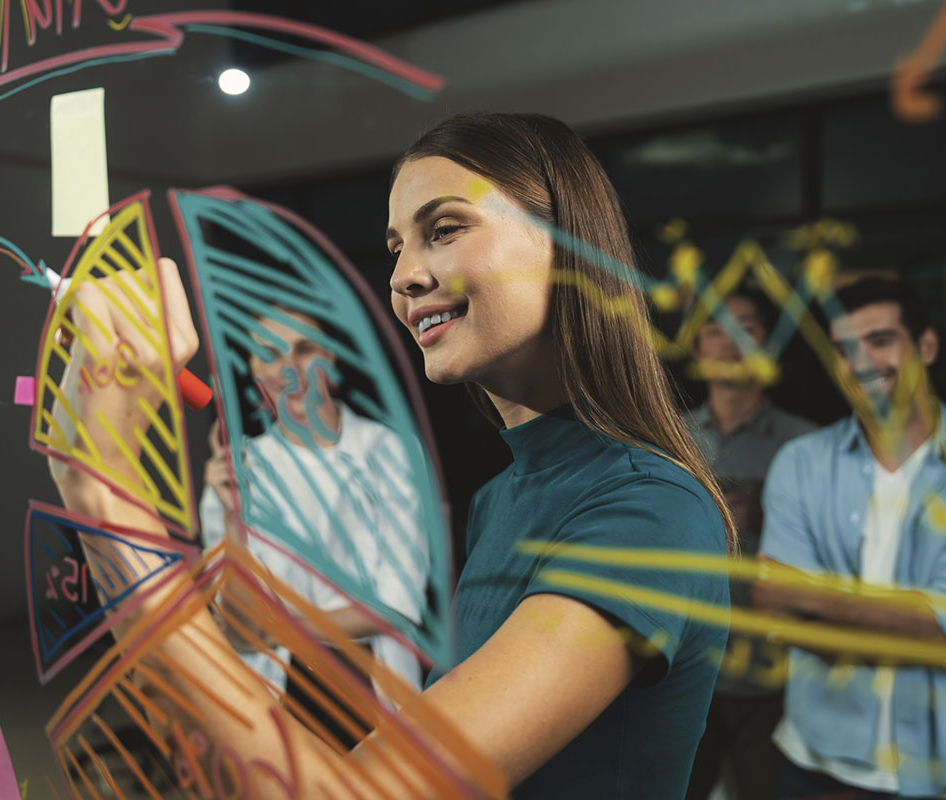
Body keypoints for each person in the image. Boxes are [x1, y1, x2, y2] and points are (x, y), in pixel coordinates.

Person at [49, 111, 734, 798]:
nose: (404, 275)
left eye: (443, 230)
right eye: (396, 247)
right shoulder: (505, 492)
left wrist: (105, 498)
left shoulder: (651, 512)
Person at [752, 277, 946, 800]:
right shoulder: (800, 462)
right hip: (814, 763)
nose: (861, 363)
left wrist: (807, 594)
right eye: (844, 349)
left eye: (881, 341)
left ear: (925, 347)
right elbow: (776, 616)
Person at [198, 308, 426, 747]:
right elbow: (241, 634)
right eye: (270, 354)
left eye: (304, 349)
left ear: (332, 357)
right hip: (278, 707)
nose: (289, 370)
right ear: (253, 370)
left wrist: (281, 628)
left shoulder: (390, 451)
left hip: (377, 696)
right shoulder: (236, 473)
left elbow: (396, 606)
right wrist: (233, 520)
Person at [683, 288, 816, 800]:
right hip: (690, 671)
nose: (732, 341)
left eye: (749, 327)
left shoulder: (807, 445)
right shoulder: (668, 439)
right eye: (717, 328)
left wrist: (769, 513)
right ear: (695, 349)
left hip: (778, 679)